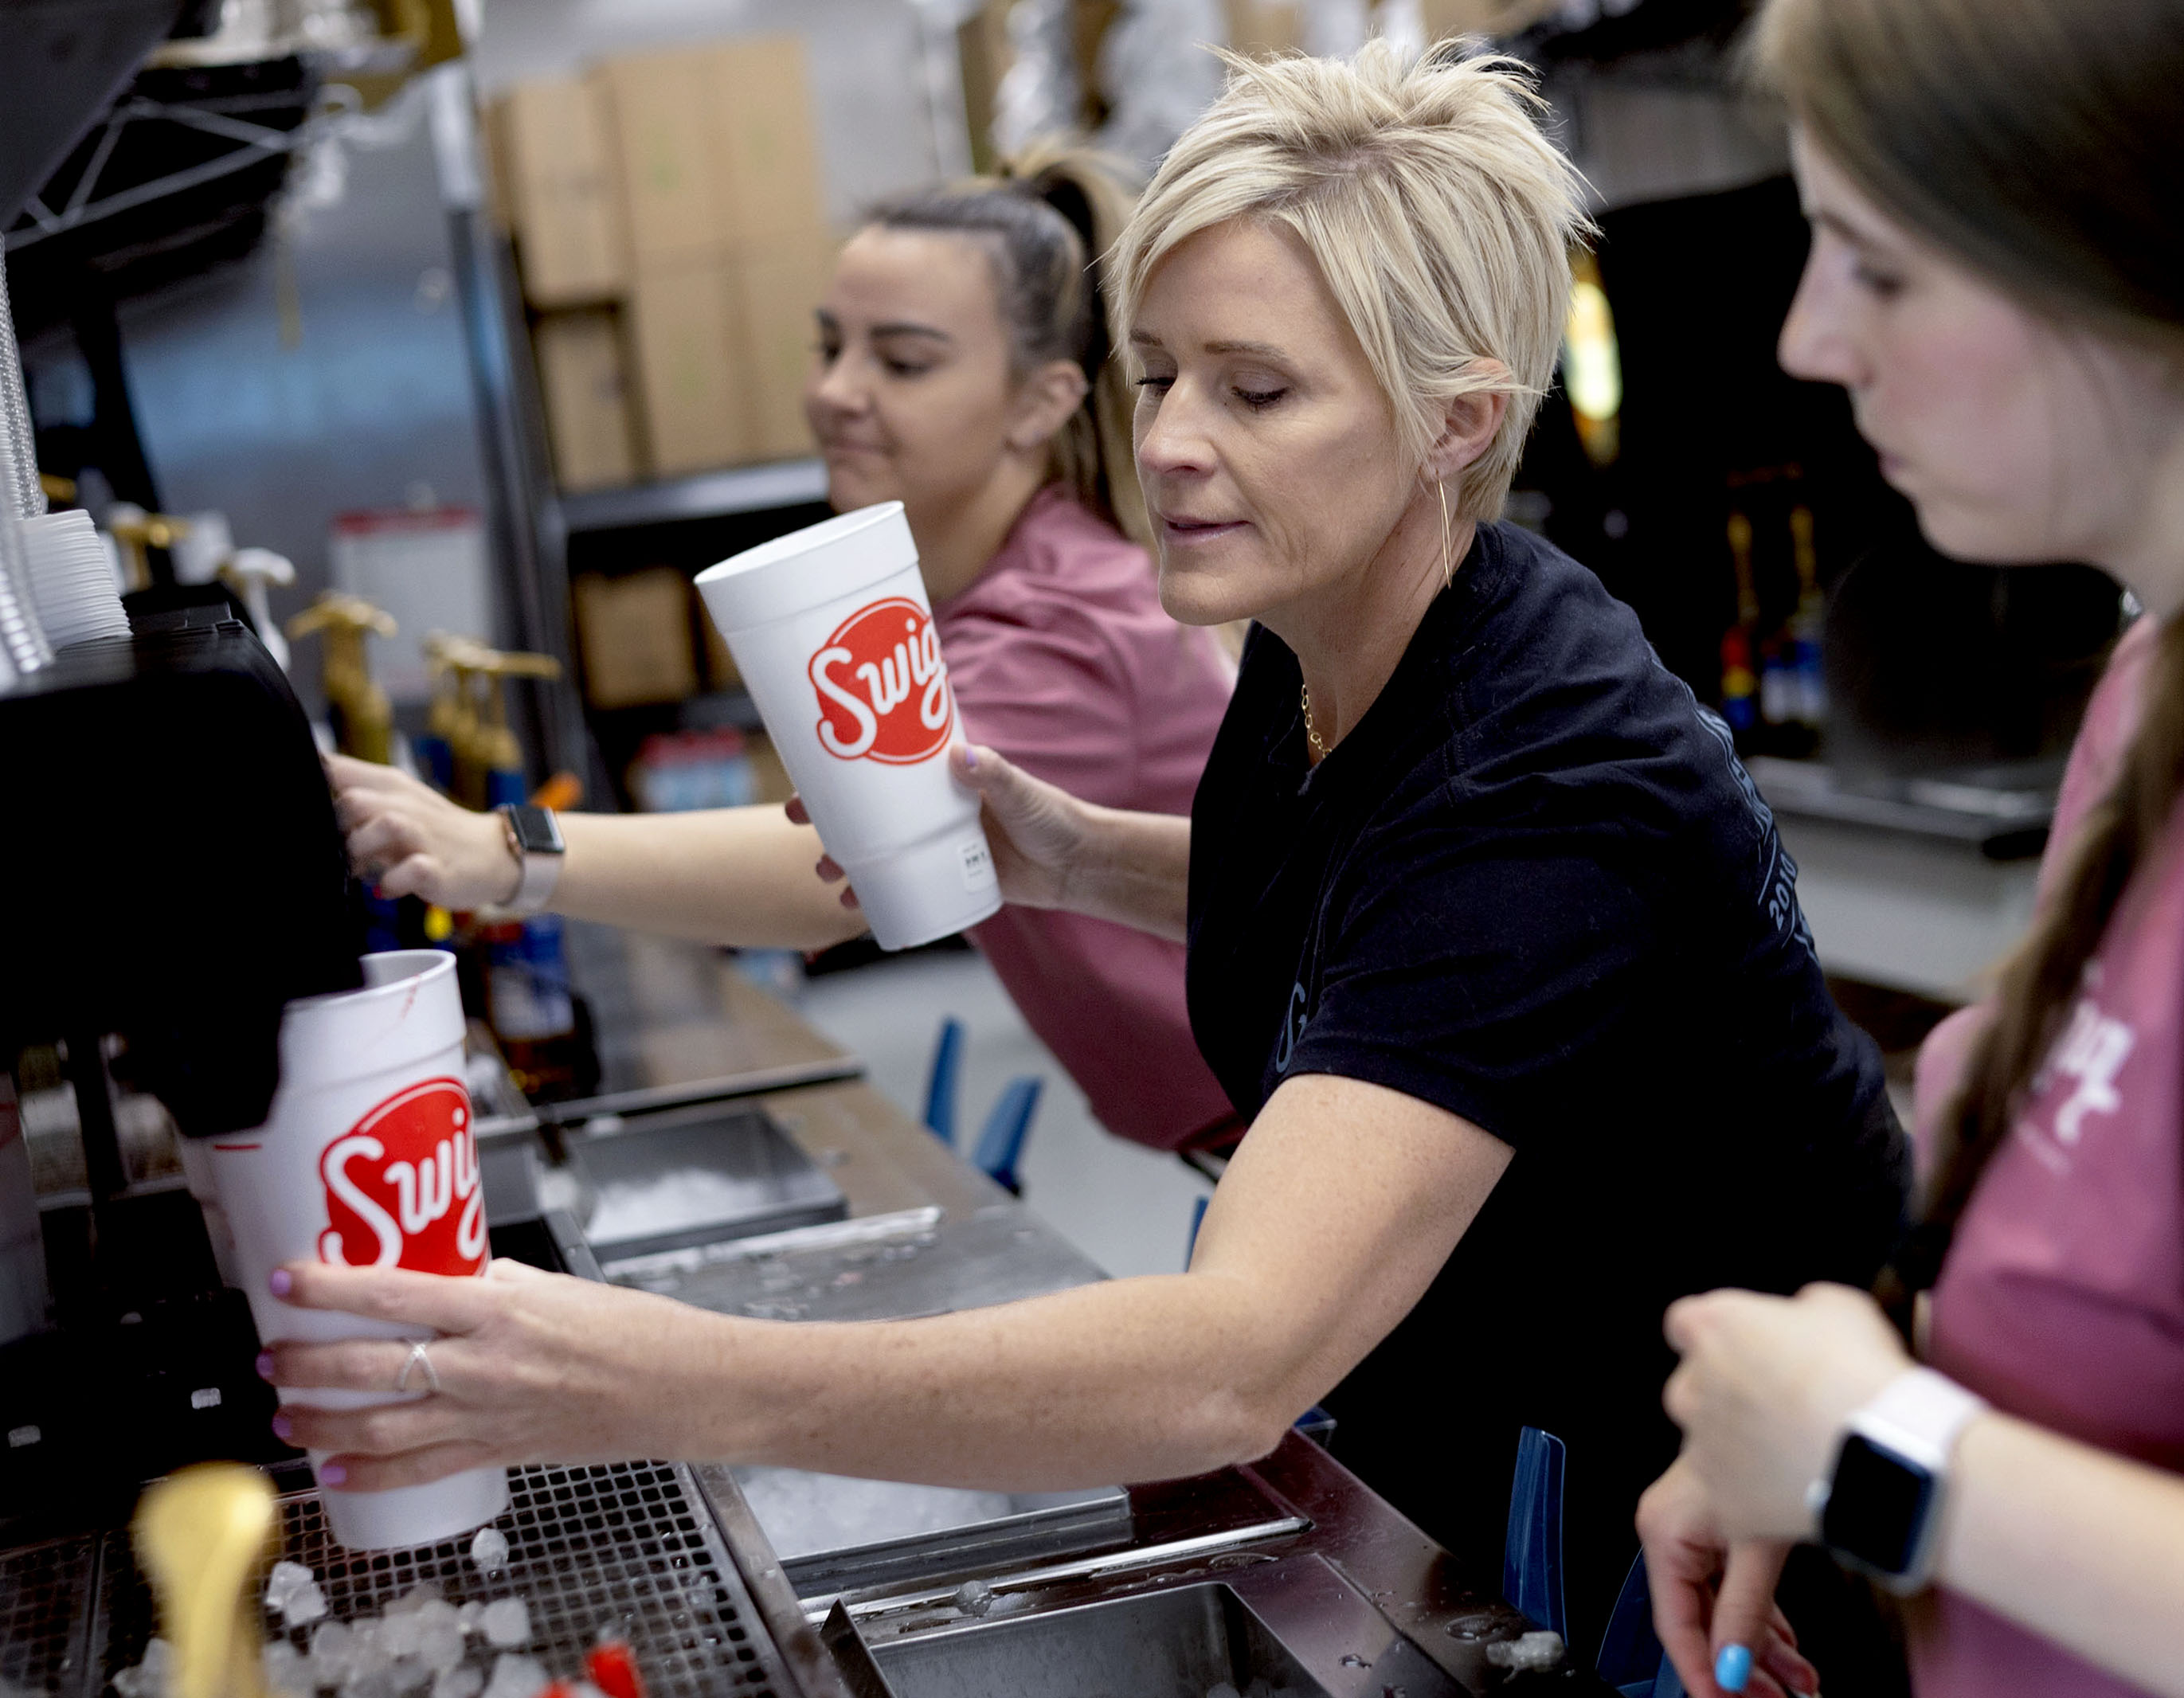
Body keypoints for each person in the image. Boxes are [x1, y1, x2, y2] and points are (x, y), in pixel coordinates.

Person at [264, 45, 1905, 1641]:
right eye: (1162, 374)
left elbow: (1230, 1362)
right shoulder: (1340, 620)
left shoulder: (1531, 779)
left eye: (1258, 390)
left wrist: (640, 1374)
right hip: (1477, 1384)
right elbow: (1376, 905)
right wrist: (1071, 858)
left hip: (1697, 1519)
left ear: (1456, 419)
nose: (1172, 441)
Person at [1637, 2, 2184, 1695]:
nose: (1809, 340)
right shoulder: (2177, 677)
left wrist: (1870, 1455)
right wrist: (1828, 1417)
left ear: (2140, 263)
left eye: (1878, 269)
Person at [331, 148, 1241, 1153]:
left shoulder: (1070, 622)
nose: (837, 392)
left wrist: (506, 852)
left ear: (1042, 401)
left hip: (1289, 1108)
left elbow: (833, 868)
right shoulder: (979, 582)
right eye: (829, 347)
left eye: (903, 362)